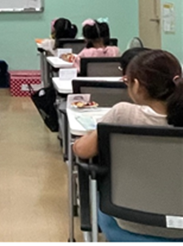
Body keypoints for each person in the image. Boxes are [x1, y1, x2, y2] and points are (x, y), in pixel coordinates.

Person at [73, 50, 183, 239]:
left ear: (137, 86)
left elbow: (82, 150)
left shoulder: (123, 114)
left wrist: (95, 132)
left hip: (129, 222)